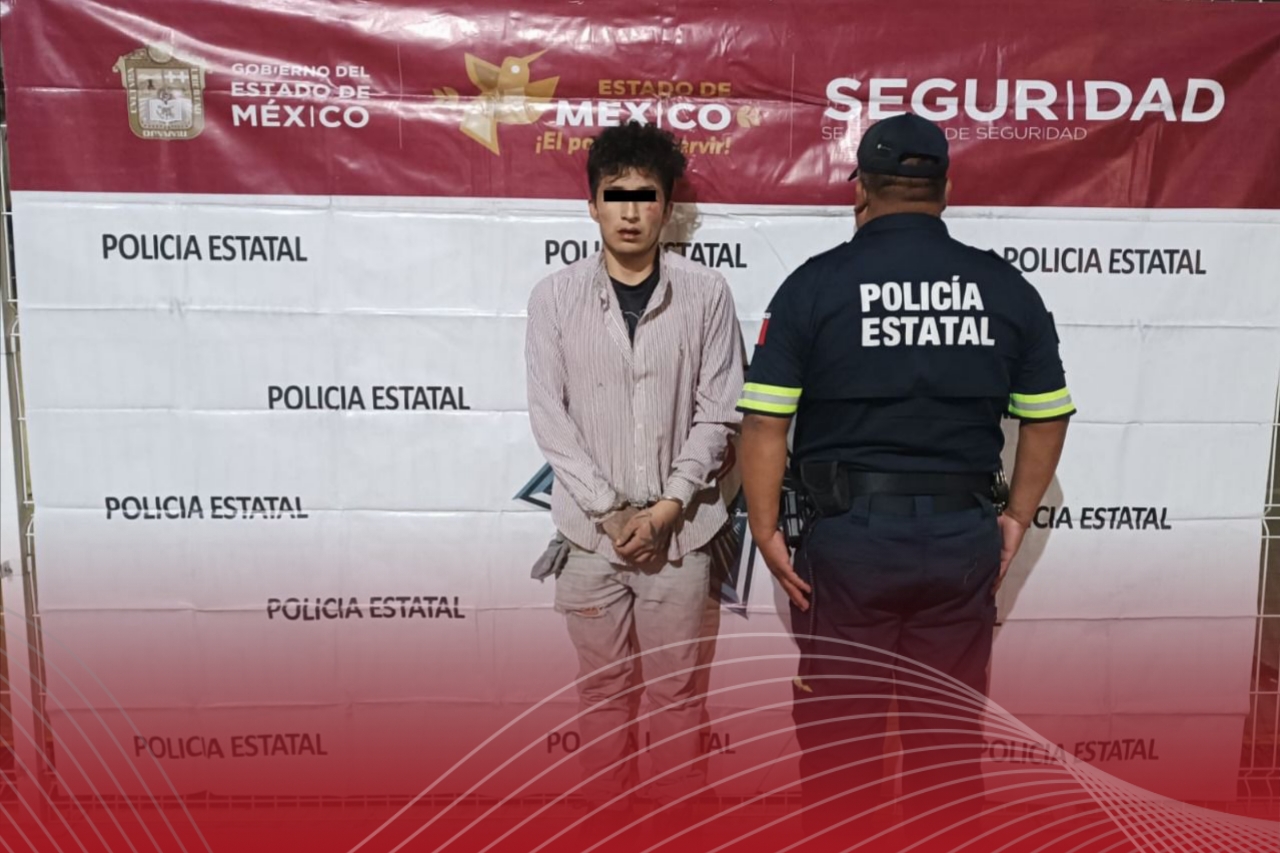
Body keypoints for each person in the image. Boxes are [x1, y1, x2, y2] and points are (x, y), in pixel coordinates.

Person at [737, 113, 1073, 847]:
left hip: (849, 541)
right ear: (945, 188)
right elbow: (1047, 417)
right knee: (946, 749)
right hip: (961, 541)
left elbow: (764, 423)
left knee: (843, 748)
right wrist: (1015, 517)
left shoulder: (814, 286)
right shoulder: (1004, 287)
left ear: (860, 188)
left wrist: (763, 530)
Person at [525, 121, 743, 812]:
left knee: (677, 695)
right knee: (602, 691)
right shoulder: (553, 297)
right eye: (614, 196)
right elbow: (550, 419)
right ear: (592, 204)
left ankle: (675, 825)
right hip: (590, 538)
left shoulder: (706, 293)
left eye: (644, 196)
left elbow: (719, 414)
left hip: (681, 535)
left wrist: (668, 507)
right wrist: (612, 511)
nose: (628, 212)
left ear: (667, 206)